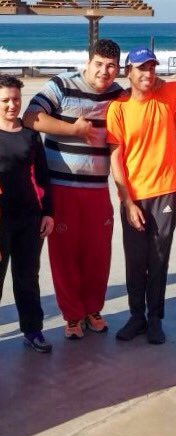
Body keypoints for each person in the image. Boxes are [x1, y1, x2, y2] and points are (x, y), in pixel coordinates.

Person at [23, 39, 123, 340]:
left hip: (98, 188)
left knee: (98, 254)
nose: (104, 71)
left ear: (118, 69)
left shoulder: (119, 94)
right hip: (61, 187)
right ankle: (72, 315)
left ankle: (93, 310)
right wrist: (73, 129)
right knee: (64, 255)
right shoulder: (61, 85)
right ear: (87, 62)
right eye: (99, 64)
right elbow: (30, 117)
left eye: (111, 66)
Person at [107, 47, 176, 344]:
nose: (148, 73)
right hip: (134, 195)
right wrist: (127, 201)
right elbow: (116, 157)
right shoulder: (118, 107)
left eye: (152, 68)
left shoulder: (167, 95)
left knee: (158, 258)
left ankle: (155, 318)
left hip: (165, 191)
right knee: (135, 259)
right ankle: (136, 316)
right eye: (141, 68)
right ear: (128, 72)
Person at [0, 74, 54, 352]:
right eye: (5, 100)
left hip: (29, 219)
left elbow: (43, 176)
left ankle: (33, 331)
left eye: (16, 99)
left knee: (27, 277)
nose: (12, 105)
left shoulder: (30, 135)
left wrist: (48, 213)